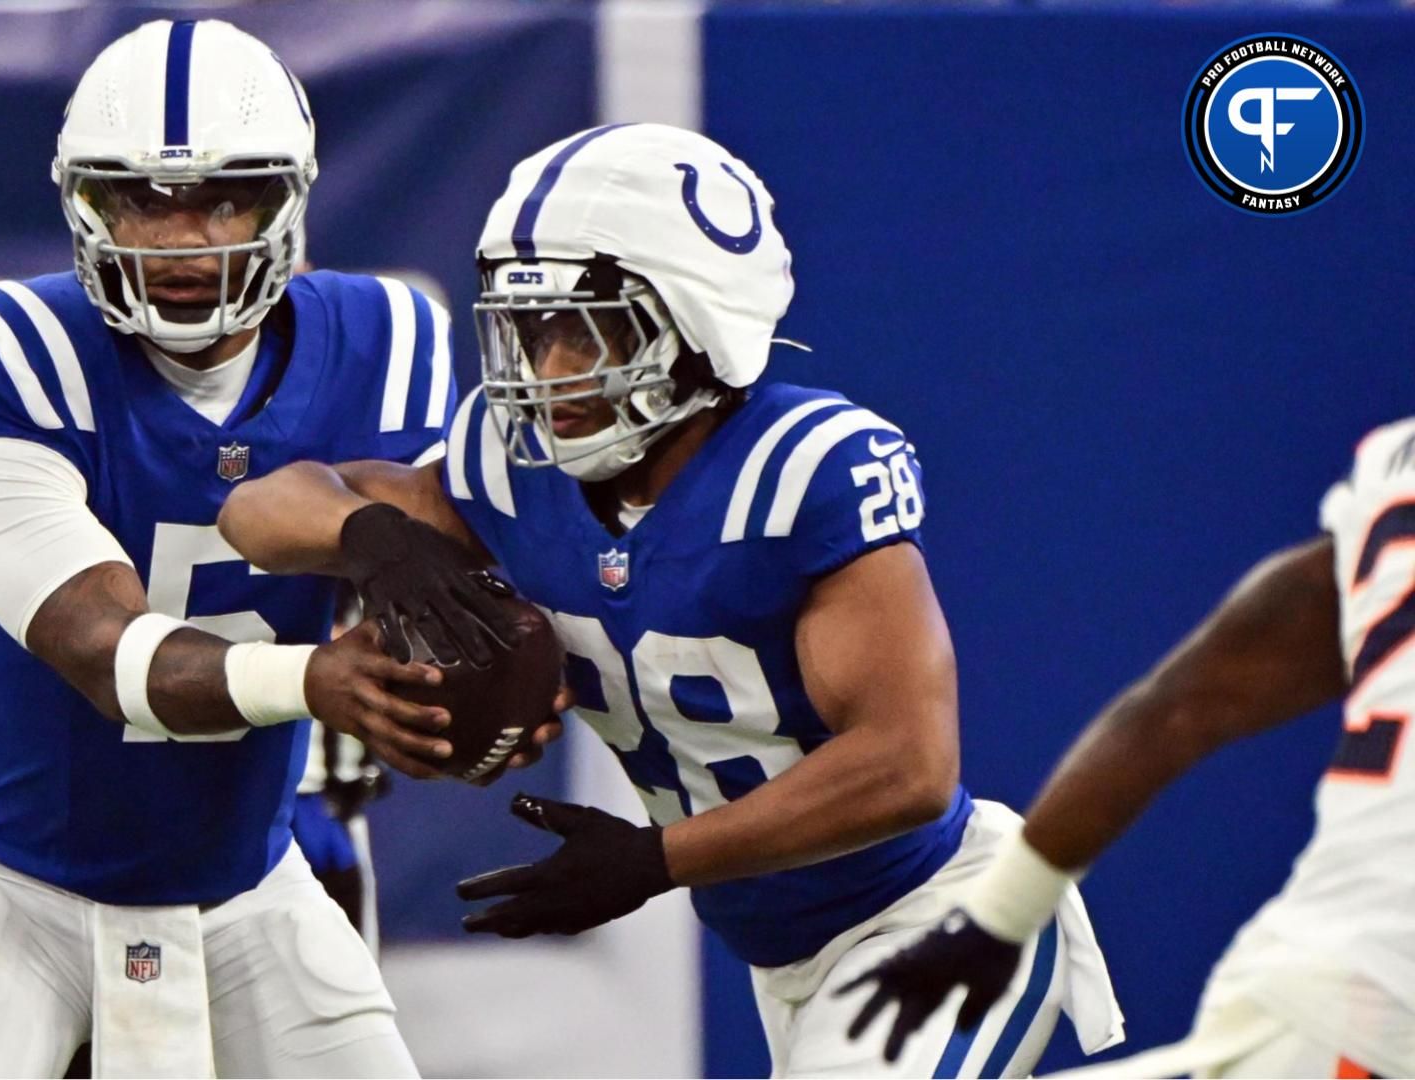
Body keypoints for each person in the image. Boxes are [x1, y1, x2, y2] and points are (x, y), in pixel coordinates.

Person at [216, 121, 1125, 1078]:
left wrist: (652, 861)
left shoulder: (802, 472)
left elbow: (909, 767)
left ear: (698, 320)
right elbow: (259, 505)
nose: (545, 368)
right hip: (786, 958)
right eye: (526, 328)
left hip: (939, 916)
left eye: (582, 327)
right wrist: (374, 538)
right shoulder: (511, 468)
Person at [0, 19, 466, 1078]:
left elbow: (472, 570)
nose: (181, 243)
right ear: (85, 206)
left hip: (249, 890)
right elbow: (109, 655)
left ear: (289, 203)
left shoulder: (385, 345)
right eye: (142, 200)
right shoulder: (17, 355)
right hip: (9, 894)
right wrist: (317, 677)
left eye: (224, 199)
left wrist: (495, 659)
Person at [841, 419, 1415, 1078]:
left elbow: (1185, 704)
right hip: (1378, 1009)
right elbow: (1190, 701)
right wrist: (994, 921)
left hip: (1335, 984)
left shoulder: (1395, 469)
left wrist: (998, 919)